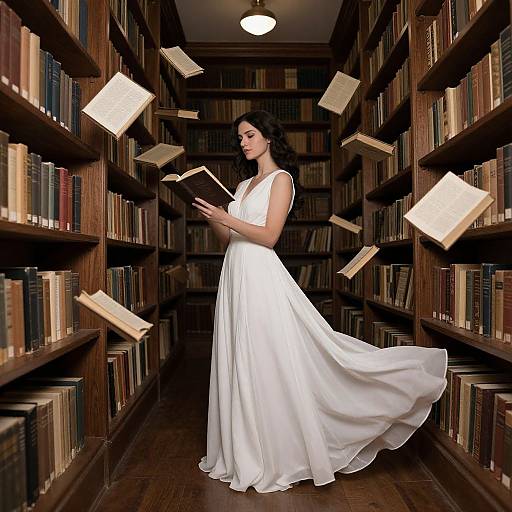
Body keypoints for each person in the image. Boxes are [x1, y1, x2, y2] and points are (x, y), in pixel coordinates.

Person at [193, 110, 448, 493]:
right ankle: (244, 448)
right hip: (235, 273)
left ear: (267, 137)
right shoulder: (243, 187)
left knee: (266, 356)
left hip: (260, 274)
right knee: (238, 356)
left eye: (248, 135)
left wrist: (225, 217)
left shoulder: (282, 180)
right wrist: (211, 214)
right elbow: (228, 241)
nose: (243, 143)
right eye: (240, 138)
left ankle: (275, 452)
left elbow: (268, 236)